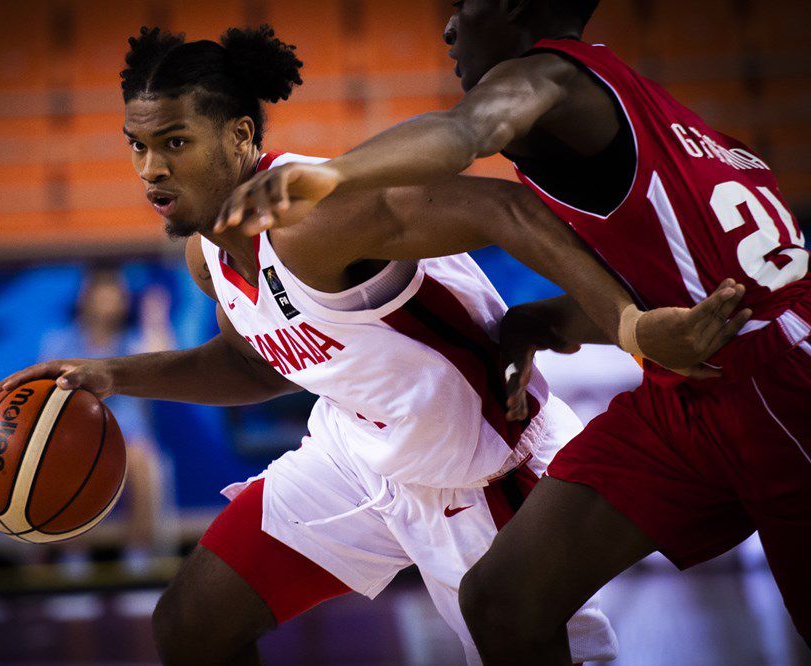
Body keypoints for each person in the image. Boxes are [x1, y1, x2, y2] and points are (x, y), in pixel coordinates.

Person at [0, 25, 747, 665]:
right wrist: (110, 375)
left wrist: (626, 325)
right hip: (356, 459)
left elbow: (502, 208)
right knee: (190, 626)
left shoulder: (318, 216)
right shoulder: (206, 253)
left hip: (477, 470)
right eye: (137, 146)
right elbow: (253, 364)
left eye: (174, 142)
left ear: (242, 137)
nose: (151, 169)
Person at [218, 0, 811, 658]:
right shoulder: (655, 112)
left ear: (515, 7)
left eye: (464, 6)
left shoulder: (549, 76)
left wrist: (335, 172)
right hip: (689, 391)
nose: (448, 29)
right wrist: (546, 318)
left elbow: (464, 133)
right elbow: (685, 290)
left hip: (779, 383)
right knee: (500, 599)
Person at [38, 268, 175, 574]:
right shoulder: (60, 343)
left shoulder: (132, 343)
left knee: (142, 459)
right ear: (86, 297)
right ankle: (74, 560)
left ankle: (137, 558)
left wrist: (156, 319)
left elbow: (165, 361)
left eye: (117, 292)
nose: (111, 299)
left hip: (128, 441)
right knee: (63, 461)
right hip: (77, 439)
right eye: (104, 291)